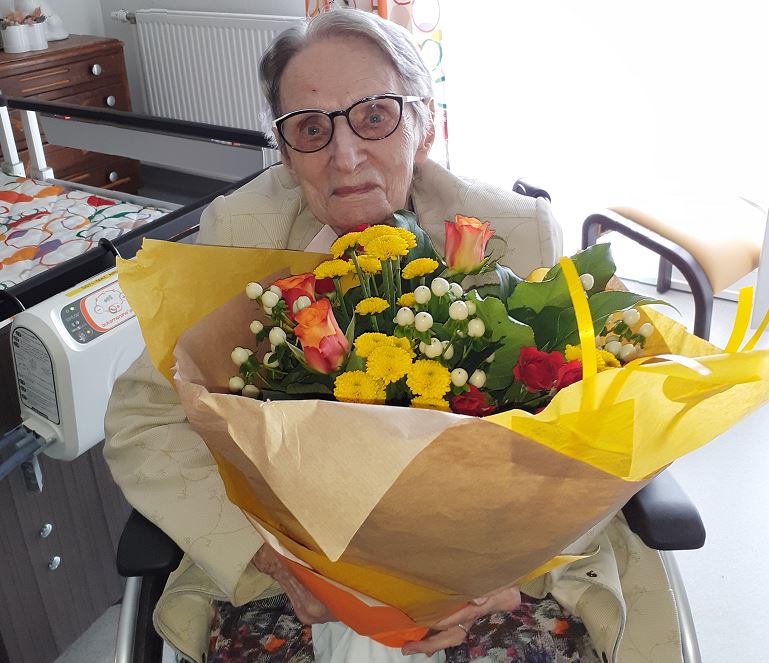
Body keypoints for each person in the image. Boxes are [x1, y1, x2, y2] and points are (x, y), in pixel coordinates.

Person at [104, 8, 682, 663]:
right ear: (287, 153)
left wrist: (513, 565)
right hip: (294, 575)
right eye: (311, 129)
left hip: (497, 573)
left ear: (424, 123)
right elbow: (142, 417)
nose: (344, 156)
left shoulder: (515, 228)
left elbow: (623, 409)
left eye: (374, 115)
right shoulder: (240, 229)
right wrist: (272, 558)